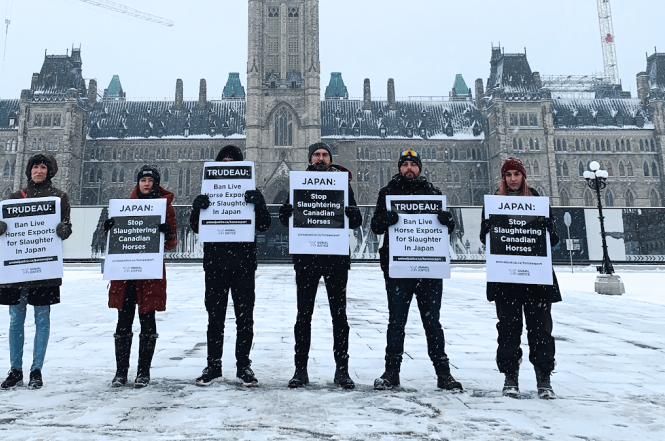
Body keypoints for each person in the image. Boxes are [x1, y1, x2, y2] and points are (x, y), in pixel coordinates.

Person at [370, 149, 462, 391]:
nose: (409, 168)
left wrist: (447, 221)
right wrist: (386, 220)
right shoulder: (387, 193)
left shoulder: (433, 193)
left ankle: (444, 374)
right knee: (396, 323)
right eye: (405, 164)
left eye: (413, 164)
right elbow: (375, 227)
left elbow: (450, 228)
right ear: (399, 168)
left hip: (429, 271)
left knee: (433, 324)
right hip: (399, 269)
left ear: (420, 168)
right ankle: (391, 373)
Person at [278, 142, 363, 390]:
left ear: (330, 158)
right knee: (304, 316)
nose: (321, 158)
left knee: (340, 316)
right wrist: (289, 210)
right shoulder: (299, 183)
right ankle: (300, 369)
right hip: (307, 258)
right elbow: (284, 218)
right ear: (310, 158)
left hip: (335, 258)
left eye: (325, 155)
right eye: (317, 155)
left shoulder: (342, 184)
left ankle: (342, 370)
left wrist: (350, 211)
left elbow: (356, 220)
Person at [189, 144, 272, 386]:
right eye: (223, 162)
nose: (227, 165)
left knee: (245, 319)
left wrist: (260, 204)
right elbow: (196, 227)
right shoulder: (208, 192)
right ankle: (213, 366)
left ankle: (243, 366)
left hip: (243, 264)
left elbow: (265, 225)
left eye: (232, 162)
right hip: (215, 264)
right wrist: (197, 208)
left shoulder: (252, 192)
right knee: (215, 318)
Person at [479, 157, 561, 399]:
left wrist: (548, 228)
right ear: (503, 178)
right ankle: (510, 376)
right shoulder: (494, 203)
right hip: (507, 278)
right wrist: (487, 230)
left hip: (536, 277)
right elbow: (486, 239)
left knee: (541, 330)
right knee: (508, 329)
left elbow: (553, 241)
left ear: (523, 176)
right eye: (508, 174)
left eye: (516, 174)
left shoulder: (537, 201)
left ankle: (543, 378)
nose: (513, 178)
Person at [0, 153, 72, 390]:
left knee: (42, 319)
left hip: (44, 269)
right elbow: (6, 232)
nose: (39, 171)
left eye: (43, 168)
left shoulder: (59, 198)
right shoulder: (15, 197)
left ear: (50, 171)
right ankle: (15, 369)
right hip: (17, 271)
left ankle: (36, 369)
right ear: (29, 171)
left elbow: (67, 230)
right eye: (35, 167)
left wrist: (62, 229)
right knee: (15, 320)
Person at [104, 164, 178, 388]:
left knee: (148, 322)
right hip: (125, 275)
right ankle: (121, 372)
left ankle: (143, 372)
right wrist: (108, 229)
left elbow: (172, 244)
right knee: (123, 322)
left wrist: (168, 234)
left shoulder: (165, 209)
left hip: (149, 275)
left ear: (156, 182)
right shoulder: (124, 207)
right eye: (143, 180)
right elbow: (113, 242)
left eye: (150, 180)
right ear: (138, 183)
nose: (146, 183)